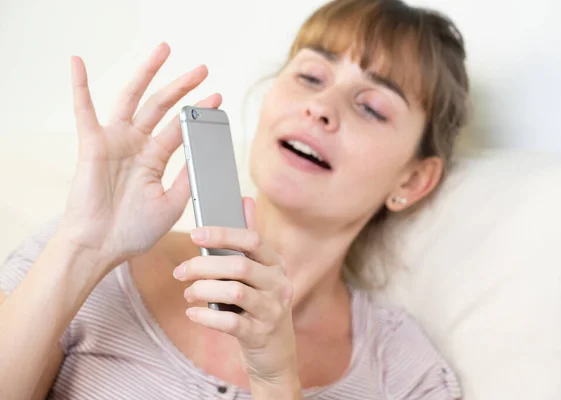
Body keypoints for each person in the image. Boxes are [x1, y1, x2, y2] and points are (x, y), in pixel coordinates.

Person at [0, 0, 469, 398]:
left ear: (412, 181)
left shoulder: (407, 376)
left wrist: (275, 377)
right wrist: (81, 250)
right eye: (310, 77)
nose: (321, 107)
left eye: (370, 106)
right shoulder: (84, 258)